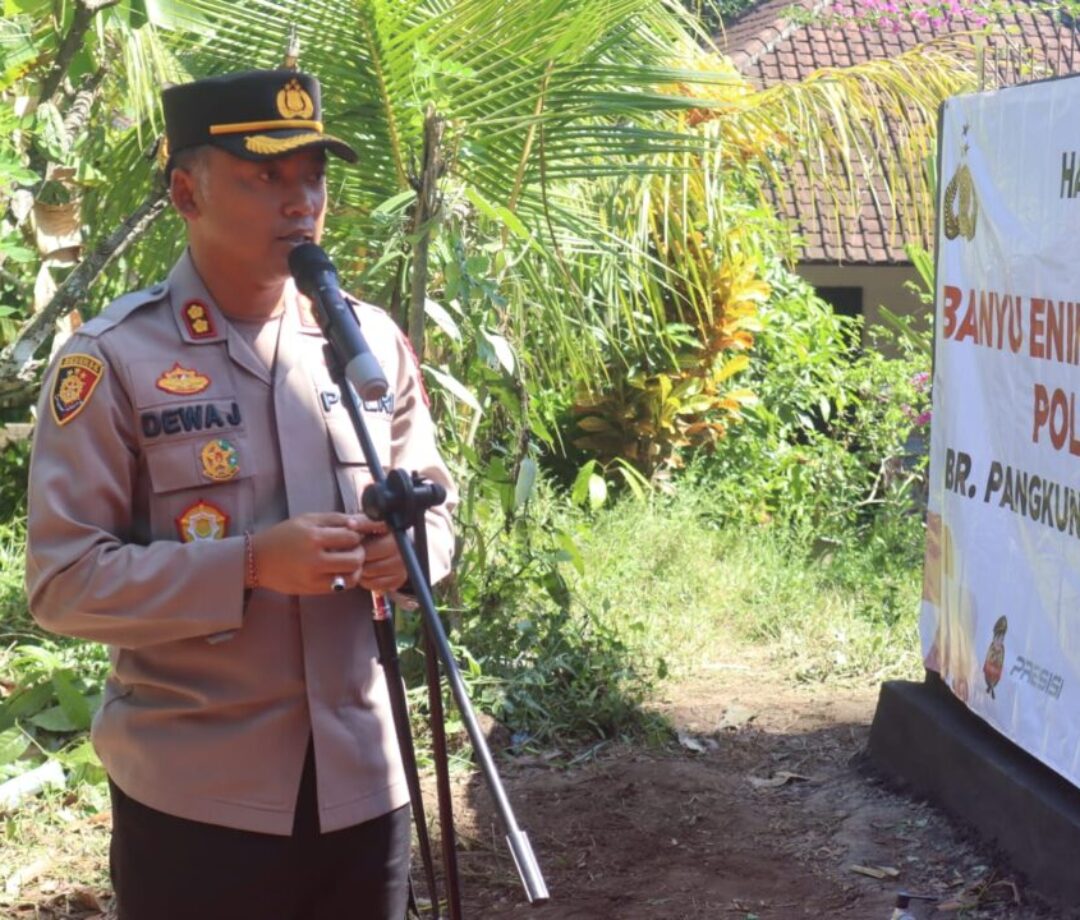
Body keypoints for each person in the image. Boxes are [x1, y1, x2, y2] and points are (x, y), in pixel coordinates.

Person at [24, 68, 456, 920]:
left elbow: (437, 515)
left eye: (314, 178)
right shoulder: (113, 360)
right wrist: (253, 564)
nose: (300, 203)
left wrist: (403, 557)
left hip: (366, 783)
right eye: (266, 176)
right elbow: (64, 583)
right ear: (187, 191)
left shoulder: (368, 347)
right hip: (197, 802)